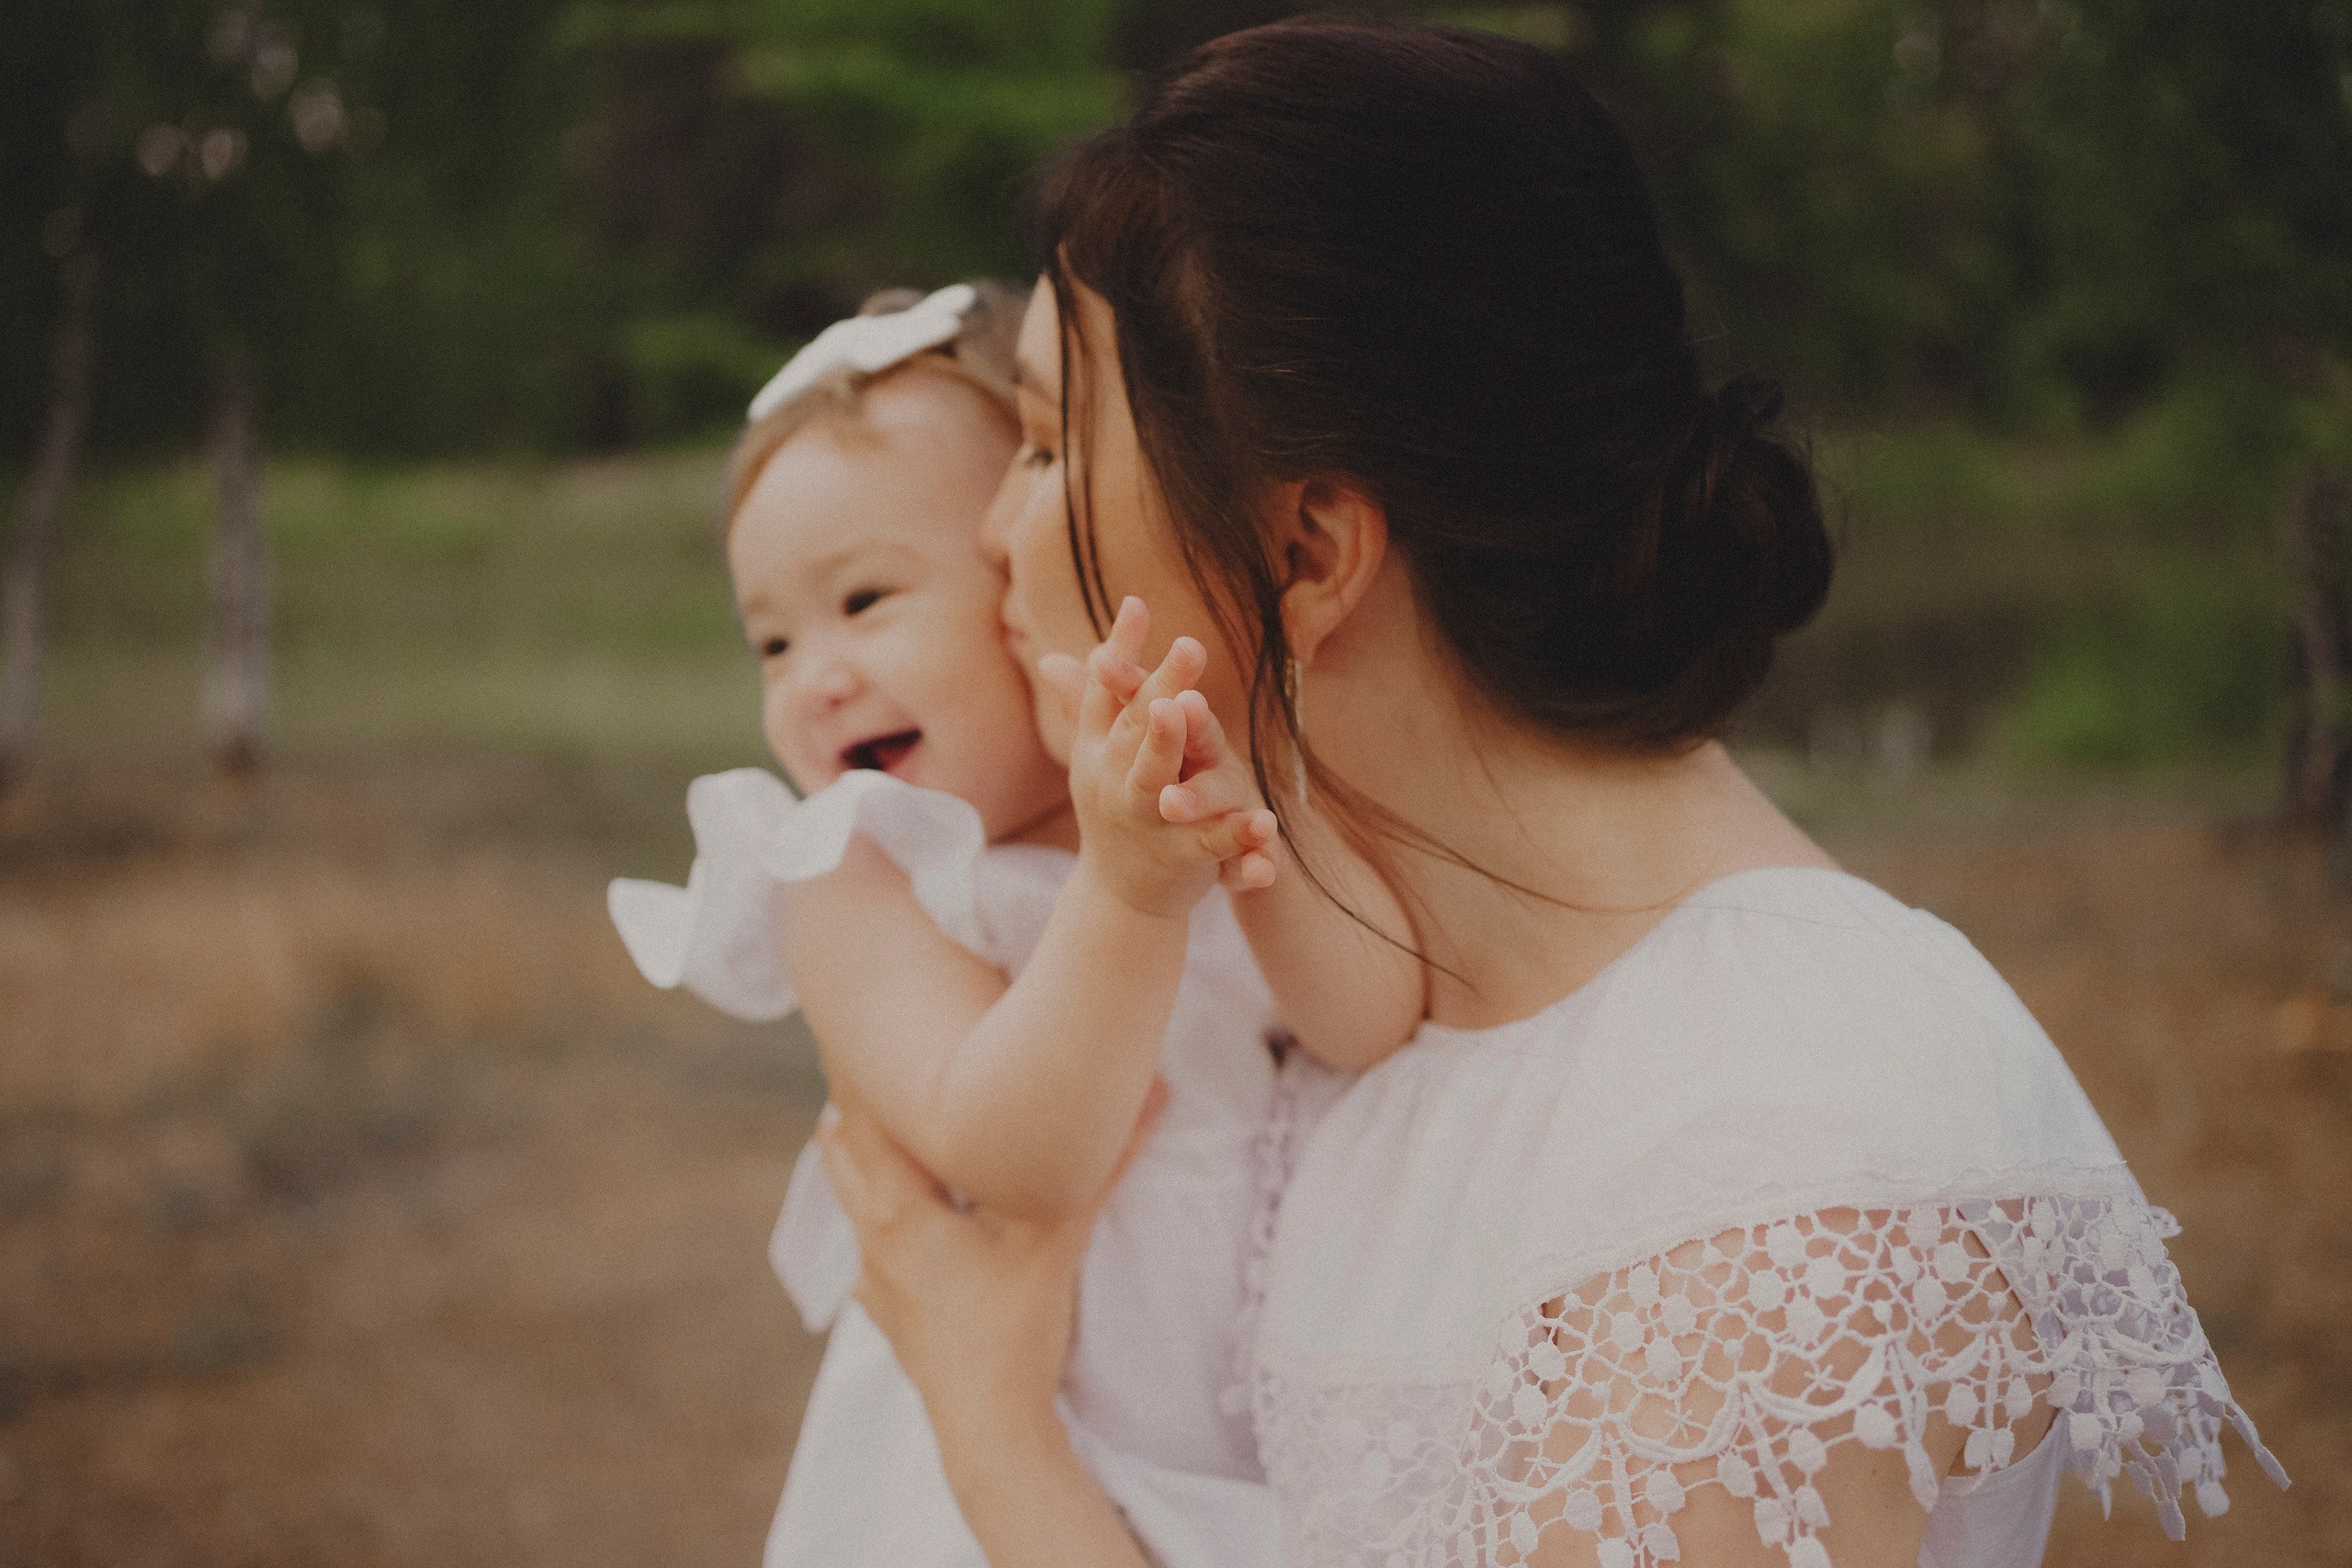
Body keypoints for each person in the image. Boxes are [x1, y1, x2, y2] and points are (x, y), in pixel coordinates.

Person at [813, 17, 2288, 1568]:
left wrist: (990, 1425)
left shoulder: (1775, 1164)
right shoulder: (1359, 991)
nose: (988, 534)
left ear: (1309, 551)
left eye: (1045, 445)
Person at [605, 281, 1397, 1568]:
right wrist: (1131, 890)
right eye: (770, 642)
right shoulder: (847, 875)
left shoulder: (1174, 796)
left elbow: (1360, 1022)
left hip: (1248, 1446)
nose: (818, 677)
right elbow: (1018, 1149)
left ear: (1021, 583)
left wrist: (1260, 827)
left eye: (864, 602)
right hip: (973, 1501)